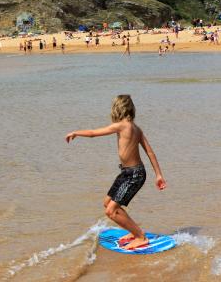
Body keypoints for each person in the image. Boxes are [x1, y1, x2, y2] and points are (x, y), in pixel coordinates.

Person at [65, 95, 166, 250]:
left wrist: (76, 132)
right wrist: (158, 175)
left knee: (110, 210)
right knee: (108, 203)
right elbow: (150, 153)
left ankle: (140, 236)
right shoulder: (137, 129)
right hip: (128, 173)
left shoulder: (121, 126)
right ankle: (134, 231)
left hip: (134, 175)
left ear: (117, 109)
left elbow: (93, 133)